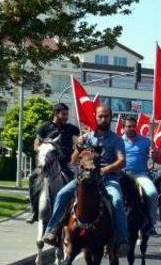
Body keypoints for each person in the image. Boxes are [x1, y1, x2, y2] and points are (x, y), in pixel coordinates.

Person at [43, 105, 129, 256]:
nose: (103, 119)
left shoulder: (116, 139)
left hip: (107, 178)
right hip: (84, 178)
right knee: (62, 194)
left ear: (111, 117)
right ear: (95, 117)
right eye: (100, 116)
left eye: (106, 116)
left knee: (117, 200)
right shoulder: (87, 137)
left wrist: (105, 169)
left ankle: (121, 238)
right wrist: (78, 146)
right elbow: (73, 160)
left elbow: (122, 161)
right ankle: (52, 230)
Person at [27, 103, 80, 223]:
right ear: (56, 113)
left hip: (65, 165)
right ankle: (34, 211)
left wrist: (78, 149)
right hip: (46, 165)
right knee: (32, 178)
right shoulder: (44, 128)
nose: (66, 117)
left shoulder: (72, 129)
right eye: (63, 114)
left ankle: (71, 212)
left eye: (67, 114)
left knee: (75, 184)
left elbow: (78, 144)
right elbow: (36, 145)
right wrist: (43, 149)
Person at [121, 115, 159, 236]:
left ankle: (150, 224)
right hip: (122, 175)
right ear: (123, 127)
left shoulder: (146, 141)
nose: (131, 128)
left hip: (141, 175)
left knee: (152, 193)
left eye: (133, 126)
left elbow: (156, 159)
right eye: (128, 126)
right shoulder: (118, 141)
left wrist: (154, 155)